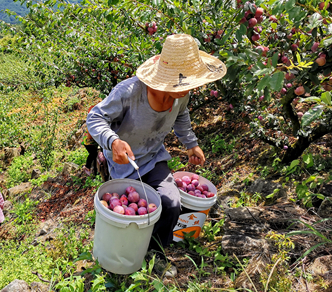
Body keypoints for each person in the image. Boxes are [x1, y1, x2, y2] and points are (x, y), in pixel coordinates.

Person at [86, 33, 227, 255]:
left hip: (153, 158)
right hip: (123, 163)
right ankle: (126, 250)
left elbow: (181, 115)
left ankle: (155, 250)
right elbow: (95, 117)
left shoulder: (182, 94)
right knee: (130, 215)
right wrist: (113, 141)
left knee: (171, 203)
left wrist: (190, 143)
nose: (190, 87)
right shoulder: (129, 93)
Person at [82, 105, 99, 177]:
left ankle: (93, 170)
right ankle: (88, 168)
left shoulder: (91, 119)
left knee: (94, 155)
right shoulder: (91, 121)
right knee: (93, 154)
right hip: (89, 143)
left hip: (87, 141)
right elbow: (89, 136)